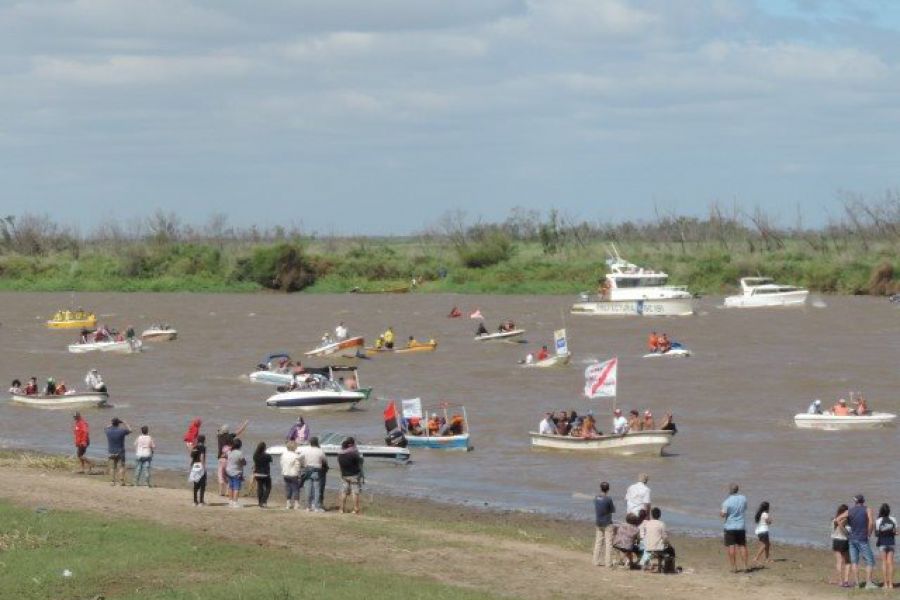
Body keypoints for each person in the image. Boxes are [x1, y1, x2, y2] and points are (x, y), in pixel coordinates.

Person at [848, 494, 877, 588]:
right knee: (870, 561)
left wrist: (845, 531)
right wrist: (869, 533)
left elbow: (839, 519)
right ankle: (868, 583)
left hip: (852, 539)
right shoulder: (867, 509)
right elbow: (872, 522)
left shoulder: (850, 510)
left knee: (854, 562)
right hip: (862, 539)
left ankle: (857, 583)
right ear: (863, 501)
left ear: (855, 501)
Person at [720, 483, 749, 573]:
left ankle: (734, 567)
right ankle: (745, 566)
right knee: (742, 546)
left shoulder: (726, 502)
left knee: (731, 547)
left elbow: (723, 514)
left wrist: (721, 513)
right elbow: (744, 508)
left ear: (730, 490)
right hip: (740, 526)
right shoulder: (743, 498)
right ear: (737, 489)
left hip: (730, 526)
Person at [217, 420, 248, 496]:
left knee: (220, 475)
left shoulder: (219, 437)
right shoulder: (230, 436)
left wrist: (219, 430)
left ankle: (221, 492)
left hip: (221, 459)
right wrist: (244, 425)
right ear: (228, 431)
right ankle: (228, 491)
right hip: (228, 459)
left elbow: (218, 432)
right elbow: (238, 432)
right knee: (228, 475)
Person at [300, 436, 328, 512]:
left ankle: (308, 507)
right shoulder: (320, 451)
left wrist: (303, 464)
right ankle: (316, 507)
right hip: (316, 471)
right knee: (317, 489)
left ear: (310, 443)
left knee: (308, 489)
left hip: (307, 470)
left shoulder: (306, 450)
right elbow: (325, 461)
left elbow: (299, 458)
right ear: (317, 443)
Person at [337, 437, 364, 514]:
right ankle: (355, 509)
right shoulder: (354, 453)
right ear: (351, 444)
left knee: (344, 492)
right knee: (355, 492)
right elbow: (360, 463)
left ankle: (341, 509)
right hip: (354, 475)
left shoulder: (340, 454)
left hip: (344, 475)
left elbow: (340, 466)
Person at [593, 481, 616, 568]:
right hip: (607, 523)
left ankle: (595, 561)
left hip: (598, 522)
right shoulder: (608, 499)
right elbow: (613, 510)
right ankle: (608, 563)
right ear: (608, 489)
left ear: (600, 488)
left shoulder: (596, 498)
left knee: (598, 542)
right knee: (608, 543)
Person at [105, 417, 132, 486]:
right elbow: (130, 430)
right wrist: (125, 423)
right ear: (118, 424)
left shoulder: (107, 431)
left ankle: (112, 481)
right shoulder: (121, 431)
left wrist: (111, 424)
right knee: (121, 466)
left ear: (112, 423)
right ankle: (121, 481)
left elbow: (106, 427)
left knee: (113, 467)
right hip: (120, 451)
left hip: (111, 451)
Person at [876, 503, 897, 589]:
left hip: (882, 543)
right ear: (889, 511)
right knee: (891, 563)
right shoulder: (893, 519)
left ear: (881, 511)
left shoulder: (878, 520)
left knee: (884, 563)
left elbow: (877, 533)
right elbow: (895, 532)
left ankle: (885, 584)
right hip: (891, 543)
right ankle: (891, 584)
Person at [280, 441, 304, 510]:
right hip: (293, 474)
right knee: (296, 489)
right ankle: (296, 504)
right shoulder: (296, 455)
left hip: (285, 473)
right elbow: (298, 466)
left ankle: (288, 503)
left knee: (288, 488)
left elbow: (281, 464)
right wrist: (299, 473)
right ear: (295, 447)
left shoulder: (283, 455)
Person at [832, 504, 851, 587]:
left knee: (839, 562)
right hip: (844, 541)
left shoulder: (834, 520)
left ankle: (840, 581)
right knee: (847, 561)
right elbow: (846, 532)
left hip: (835, 540)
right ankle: (846, 581)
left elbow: (832, 530)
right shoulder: (846, 520)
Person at [225, 438, 246, 508]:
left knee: (231, 486)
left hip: (229, 471)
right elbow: (244, 462)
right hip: (236, 472)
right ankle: (235, 502)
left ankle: (230, 501)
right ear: (240, 445)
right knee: (236, 487)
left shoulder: (229, 452)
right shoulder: (239, 453)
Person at [252, 441, 272, 508]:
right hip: (265, 474)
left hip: (257, 473)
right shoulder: (267, 456)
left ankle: (260, 502)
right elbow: (271, 460)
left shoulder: (255, 455)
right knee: (268, 487)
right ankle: (263, 501)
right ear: (264, 448)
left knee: (260, 488)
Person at [189, 434, 207, 506]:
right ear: (204, 440)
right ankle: (201, 502)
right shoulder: (203, 447)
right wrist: (203, 466)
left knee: (196, 483)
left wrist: (190, 466)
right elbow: (202, 456)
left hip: (194, 465)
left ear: (197, 440)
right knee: (202, 483)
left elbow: (191, 457)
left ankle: (194, 501)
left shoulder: (195, 447)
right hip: (200, 465)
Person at [752, 501, 772, 566]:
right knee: (764, 545)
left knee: (768, 544)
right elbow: (768, 522)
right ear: (767, 508)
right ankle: (756, 558)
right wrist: (770, 520)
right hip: (764, 531)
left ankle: (767, 558)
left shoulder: (759, 513)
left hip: (759, 531)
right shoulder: (765, 514)